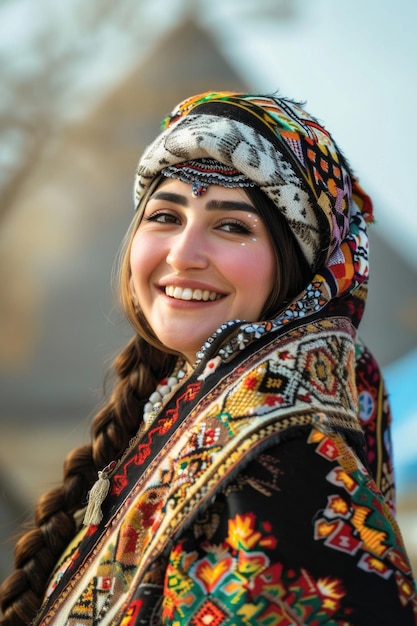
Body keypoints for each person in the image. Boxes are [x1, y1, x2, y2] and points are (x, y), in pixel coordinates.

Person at [1, 91, 416, 626]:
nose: (182, 254)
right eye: (165, 216)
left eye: (232, 226)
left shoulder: (279, 476)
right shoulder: (192, 424)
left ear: (301, 271)